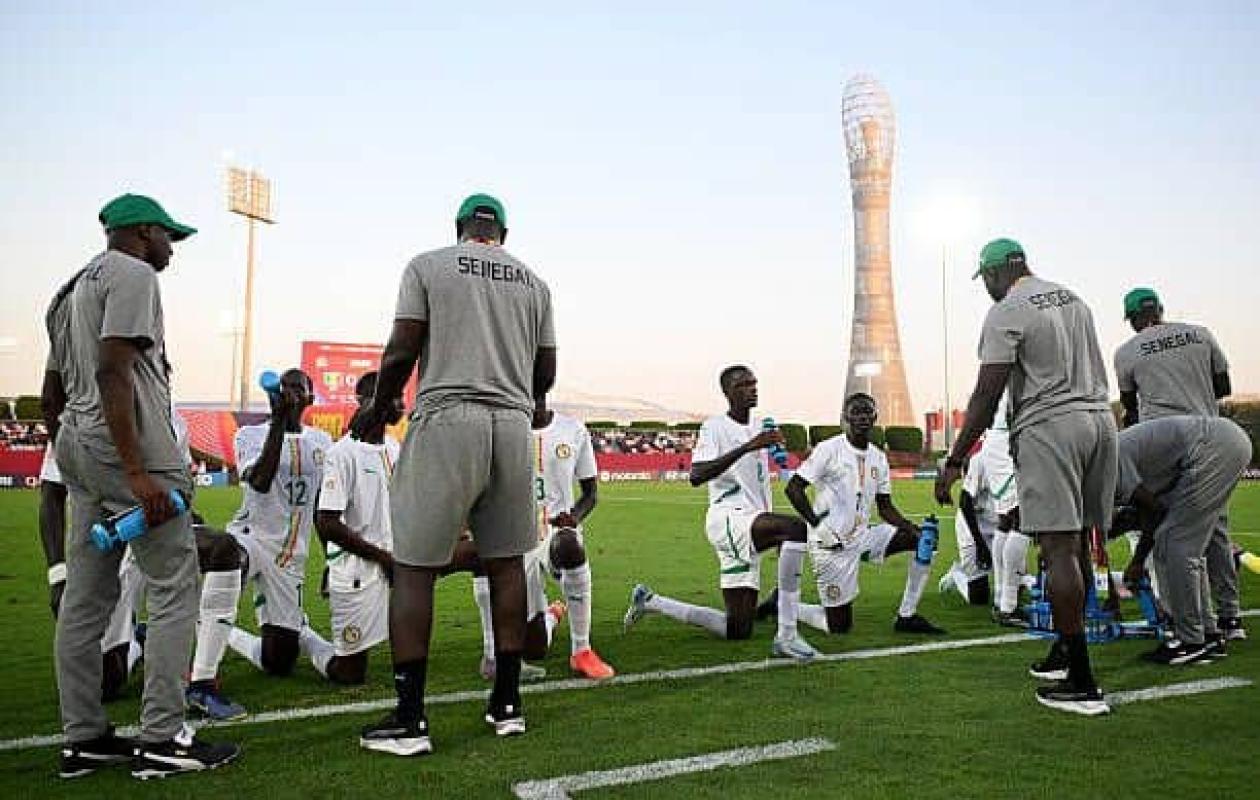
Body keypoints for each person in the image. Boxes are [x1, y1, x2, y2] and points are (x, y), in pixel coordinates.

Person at [354, 193, 556, 755]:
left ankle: (411, 717)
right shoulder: (534, 282)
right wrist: (531, 399)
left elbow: (402, 346)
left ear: (460, 227)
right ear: (504, 234)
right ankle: (508, 704)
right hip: (513, 426)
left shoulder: (429, 264)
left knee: (414, 567)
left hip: (449, 416)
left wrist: (381, 404)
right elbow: (548, 367)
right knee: (506, 562)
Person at [47, 194, 238, 779]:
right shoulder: (132, 275)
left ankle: (84, 737)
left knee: (84, 599)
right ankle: (163, 737)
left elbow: (52, 388)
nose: (172, 248)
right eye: (168, 237)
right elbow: (114, 370)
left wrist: (75, 451)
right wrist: (135, 470)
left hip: (77, 443)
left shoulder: (70, 288)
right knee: (175, 585)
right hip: (124, 446)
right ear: (144, 231)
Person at [935, 238, 1115, 717]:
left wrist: (955, 459)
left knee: (1057, 548)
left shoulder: (1008, 308)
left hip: (1051, 425)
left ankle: (1082, 680)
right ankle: (1065, 648)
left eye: (986, 280)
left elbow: (985, 393)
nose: (987, 290)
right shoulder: (1072, 297)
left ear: (997, 272)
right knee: (1075, 543)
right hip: (1100, 420)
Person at [623, 365, 818, 662]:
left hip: (750, 521)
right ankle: (787, 635)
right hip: (729, 518)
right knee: (795, 529)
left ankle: (651, 601)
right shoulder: (714, 427)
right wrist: (749, 446)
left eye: (754, 383)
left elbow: (779, 469)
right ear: (727, 392)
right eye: (743, 385)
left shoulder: (761, 426)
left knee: (737, 629)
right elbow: (697, 475)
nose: (752, 388)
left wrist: (780, 453)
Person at [185, 369, 332, 713]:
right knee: (227, 558)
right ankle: (202, 680)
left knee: (279, 661)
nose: (292, 393)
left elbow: (323, 506)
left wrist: (330, 560)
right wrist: (279, 423)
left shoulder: (322, 442)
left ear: (310, 398)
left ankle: (221, 630)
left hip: (290, 556)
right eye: (286, 387)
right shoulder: (250, 435)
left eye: (300, 388)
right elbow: (261, 481)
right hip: (250, 538)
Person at [1114, 287, 1245, 640]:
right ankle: (1230, 617)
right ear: (1160, 308)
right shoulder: (1200, 334)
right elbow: (1223, 386)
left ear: (1133, 320)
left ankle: (1194, 628)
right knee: (1215, 530)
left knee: (1177, 540)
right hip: (1215, 435)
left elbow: (1131, 408)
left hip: (1170, 451)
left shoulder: (1127, 352)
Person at [780, 392, 946, 636]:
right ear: (845, 417)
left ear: (875, 416)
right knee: (838, 627)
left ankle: (906, 616)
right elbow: (793, 488)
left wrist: (912, 528)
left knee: (923, 540)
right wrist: (818, 527)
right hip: (830, 545)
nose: (862, 417)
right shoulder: (829, 449)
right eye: (856, 412)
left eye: (867, 411)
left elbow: (885, 507)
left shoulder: (878, 457)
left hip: (862, 537)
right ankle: (784, 605)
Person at [474, 397, 614, 681]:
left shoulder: (572, 430)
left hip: (554, 532)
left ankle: (582, 650)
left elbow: (590, 494)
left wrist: (573, 517)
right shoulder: (500, 430)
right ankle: (551, 615)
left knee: (569, 545)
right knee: (534, 648)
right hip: (515, 535)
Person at [1115, 416, 1251, 663]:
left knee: (1176, 545)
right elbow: (1147, 514)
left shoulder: (1108, 464)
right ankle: (1208, 634)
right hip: (1220, 443)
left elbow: (1153, 512)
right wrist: (1137, 560)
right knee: (1181, 545)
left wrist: (1137, 560)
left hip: (1213, 448)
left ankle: (1190, 640)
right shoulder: (1110, 460)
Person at [309, 371, 404, 685]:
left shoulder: (393, 446)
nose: (401, 404)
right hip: (357, 569)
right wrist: (381, 557)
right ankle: (303, 636)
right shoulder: (342, 453)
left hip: (394, 562)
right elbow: (326, 521)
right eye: (395, 396)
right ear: (369, 402)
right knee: (349, 673)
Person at [939, 404, 1030, 625]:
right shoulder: (982, 458)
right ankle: (956, 576)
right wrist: (979, 544)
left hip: (998, 523)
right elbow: (965, 501)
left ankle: (1003, 596)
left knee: (1013, 522)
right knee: (978, 597)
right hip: (973, 527)